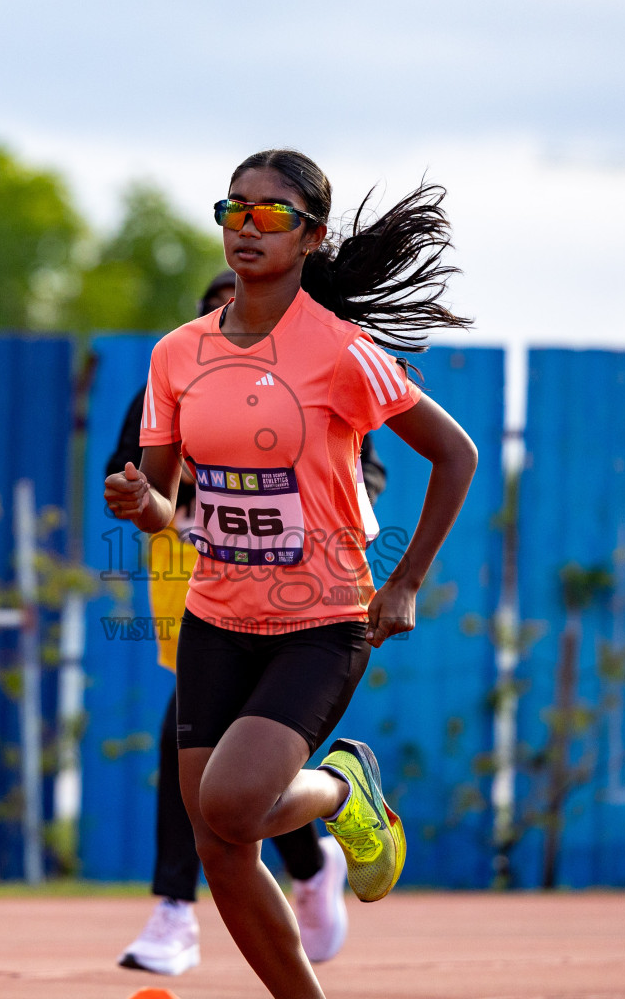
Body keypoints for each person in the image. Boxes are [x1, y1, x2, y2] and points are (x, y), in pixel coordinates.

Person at [104, 148, 476, 999]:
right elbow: (166, 507)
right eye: (234, 208)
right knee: (219, 842)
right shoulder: (175, 356)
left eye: (272, 212)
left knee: (233, 807)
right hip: (216, 617)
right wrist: (141, 503)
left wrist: (407, 582)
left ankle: (342, 785)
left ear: (310, 236)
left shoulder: (341, 352)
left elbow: (455, 455)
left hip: (323, 618)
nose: (248, 226)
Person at [111, 271, 387, 974]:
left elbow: (367, 470)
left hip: (308, 598)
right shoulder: (174, 368)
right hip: (201, 586)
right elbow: (143, 481)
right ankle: (180, 908)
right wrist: (143, 495)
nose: (231, 329)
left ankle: (326, 812)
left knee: (227, 788)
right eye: (217, 317)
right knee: (210, 781)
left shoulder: (322, 365)